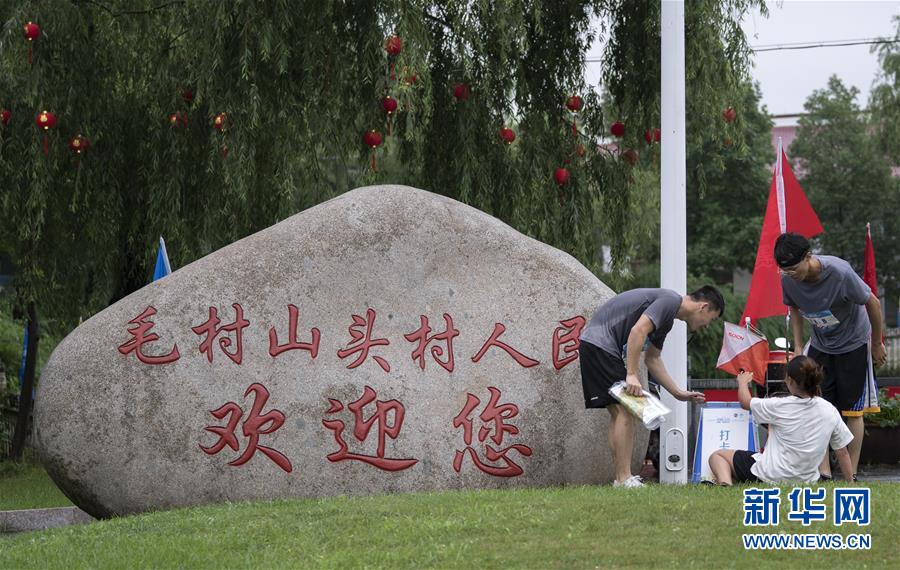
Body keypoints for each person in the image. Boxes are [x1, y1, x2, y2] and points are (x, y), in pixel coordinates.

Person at [579, 287, 721, 488]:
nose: (707, 326)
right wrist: (631, 374)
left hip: (594, 345)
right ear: (703, 307)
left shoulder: (667, 320)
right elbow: (638, 330)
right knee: (625, 411)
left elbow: (653, 359)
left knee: (619, 412)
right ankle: (624, 478)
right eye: (711, 319)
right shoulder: (670, 300)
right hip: (601, 346)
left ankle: (622, 478)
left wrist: (678, 393)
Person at [774, 233, 885, 479]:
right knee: (819, 406)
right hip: (822, 344)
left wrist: (876, 343)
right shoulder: (787, 278)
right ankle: (824, 472)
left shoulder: (840, 273)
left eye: (793, 268)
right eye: (785, 270)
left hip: (854, 342)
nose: (790, 274)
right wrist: (799, 347)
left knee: (852, 410)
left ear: (808, 257)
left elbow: (873, 303)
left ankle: (851, 474)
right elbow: (793, 307)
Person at [708, 358, 855, 485]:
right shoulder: (829, 410)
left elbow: (745, 402)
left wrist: (742, 382)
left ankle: (725, 483)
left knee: (718, 456)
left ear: (790, 381)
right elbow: (842, 451)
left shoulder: (779, 405)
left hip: (769, 475)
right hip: (806, 480)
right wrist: (850, 483)